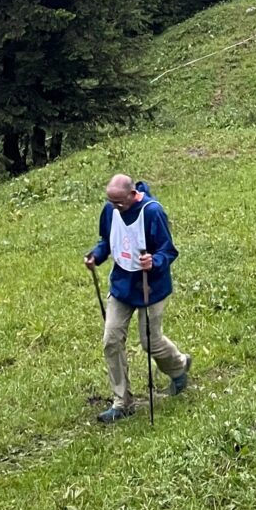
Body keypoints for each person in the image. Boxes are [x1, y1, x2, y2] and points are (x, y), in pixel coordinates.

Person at [86, 175, 190, 424]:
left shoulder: (152, 212)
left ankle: (179, 366)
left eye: (119, 202)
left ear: (132, 195)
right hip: (122, 285)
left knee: (150, 342)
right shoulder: (110, 210)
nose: (114, 207)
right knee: (111, 339)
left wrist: (154, 261)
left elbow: (168, 250)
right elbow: (106, 241)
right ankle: (122, 402)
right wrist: (96, 256)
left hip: (150, 286)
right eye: (110, 202)